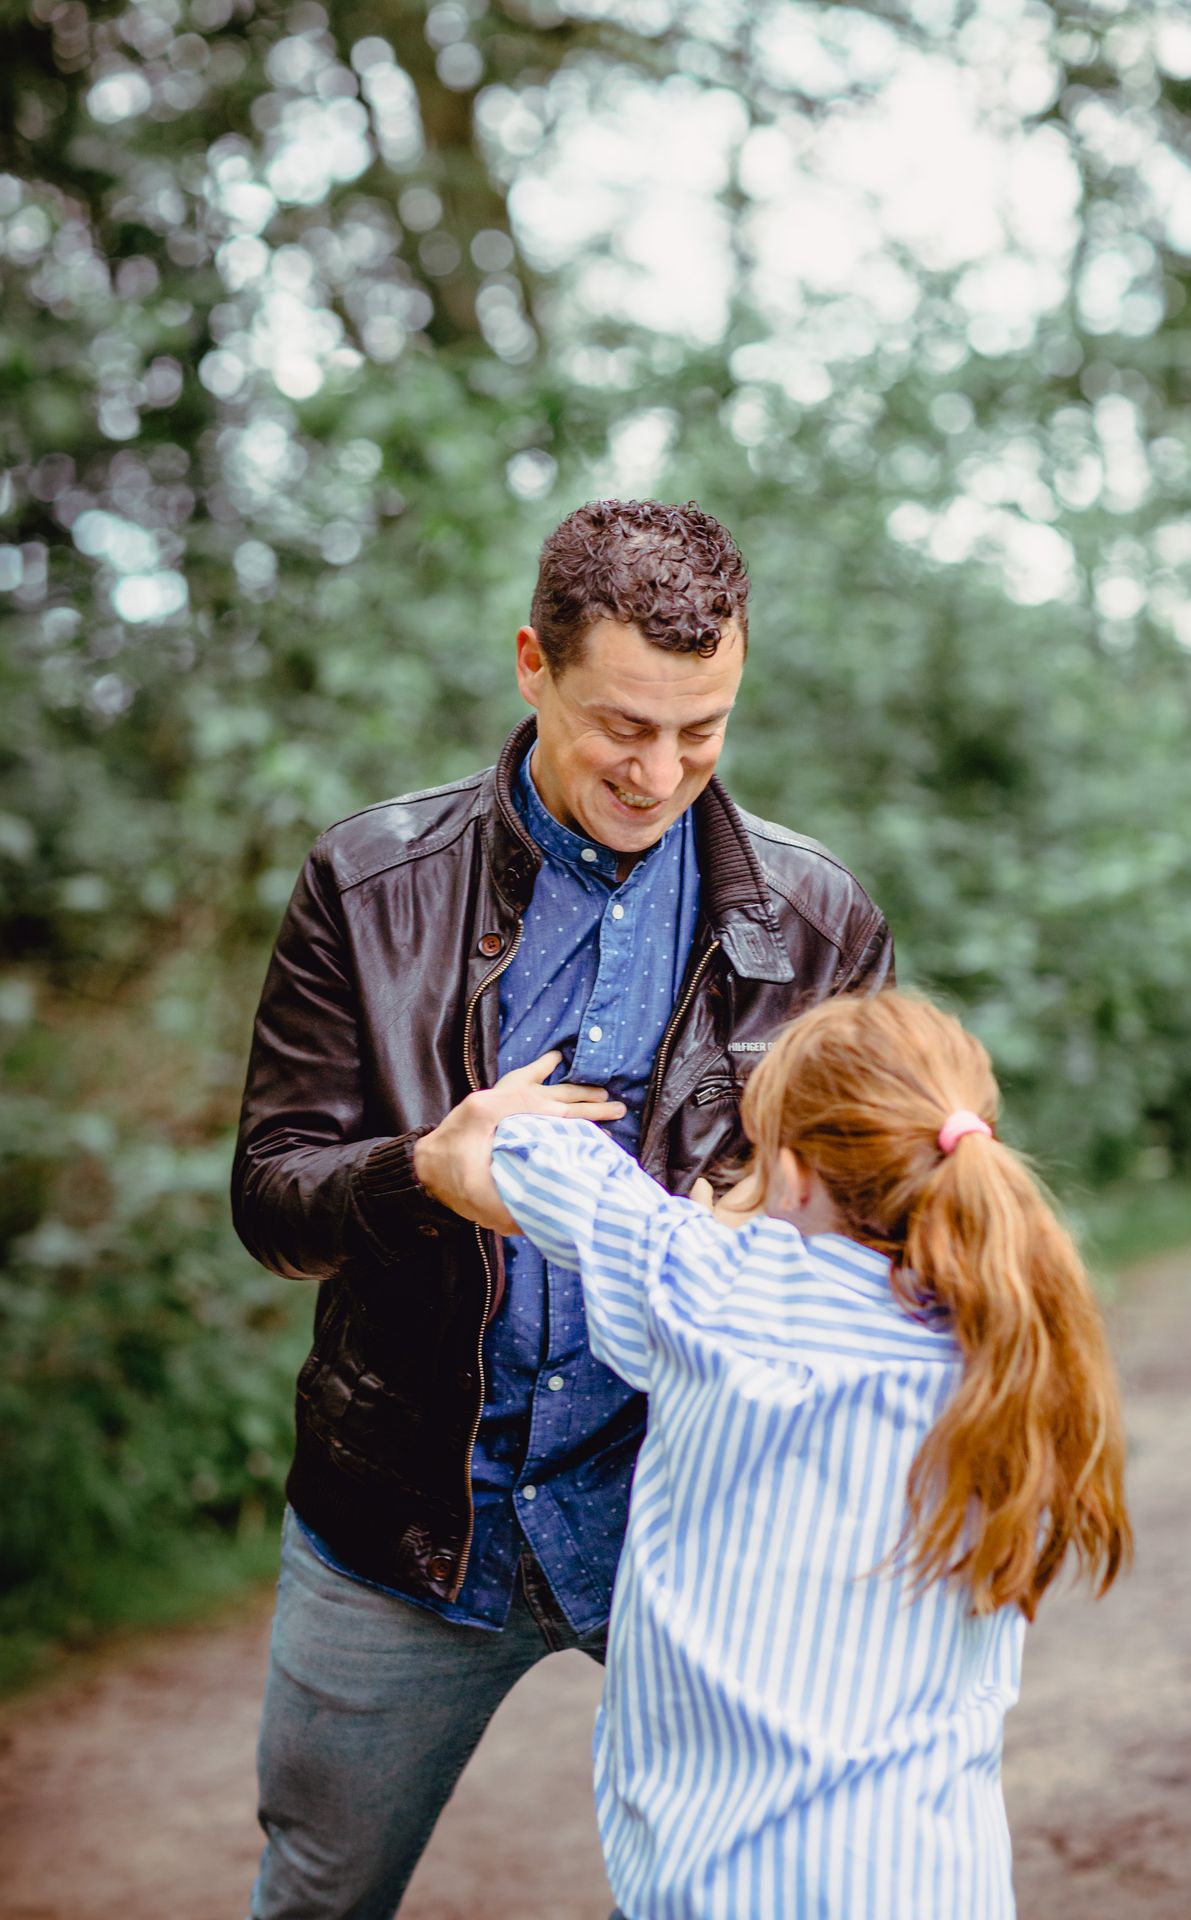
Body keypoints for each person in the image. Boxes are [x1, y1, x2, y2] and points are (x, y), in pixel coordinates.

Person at [231, 498, 893, 1917]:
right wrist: (423, 1176)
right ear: (532, 664)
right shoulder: (365, 884)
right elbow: (271, 1196)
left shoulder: (824, 919)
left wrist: (781, 1219)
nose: (660, 774)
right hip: (401, 1523)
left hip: (694, 1518)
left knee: (752, 1897)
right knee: (316, 1896)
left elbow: (887, 1228)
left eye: (703, 730)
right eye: (622, 726)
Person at [440, 989, 1132, 1920]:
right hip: (935, 1883)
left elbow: (522, 1145)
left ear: (797, 1176)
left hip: (724, 1888)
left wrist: (727, 1222)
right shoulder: (1015, 1345)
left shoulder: (711, 1285)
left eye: (761, 1154)